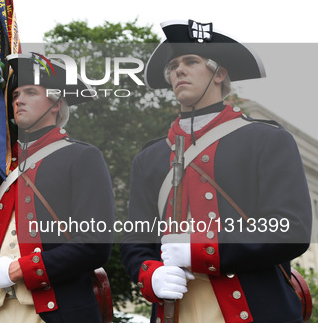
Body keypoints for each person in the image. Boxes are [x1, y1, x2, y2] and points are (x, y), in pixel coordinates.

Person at [119, 20, 312, 322]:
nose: (178, 70)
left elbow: (291, 229)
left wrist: (201, 250)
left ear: (219, 73)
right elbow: (136, 240)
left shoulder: (267, 139)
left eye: (191, 61)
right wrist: (150, 274)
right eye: (173, 66)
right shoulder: (150, 157)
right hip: (176, 311)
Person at [0, 53, 115, 323]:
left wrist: (17, 270)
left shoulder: (83, 156)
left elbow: (95, 245)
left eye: (31, 92)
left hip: (56, 310)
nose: (18, 100)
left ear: (57, 104)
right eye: (14, 96)